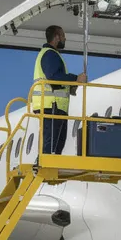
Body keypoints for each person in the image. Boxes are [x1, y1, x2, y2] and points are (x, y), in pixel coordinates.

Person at [33, 25, 86, 154]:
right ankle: (44, 166)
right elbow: (54, 77)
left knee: (56, 145)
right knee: (51, 146)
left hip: (55, 106)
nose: (64, 38)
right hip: (52, 105)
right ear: (56, 37)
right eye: (62, 35)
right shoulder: (50, 54)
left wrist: (71, 86)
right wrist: (76, 79)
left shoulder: (51, 54)